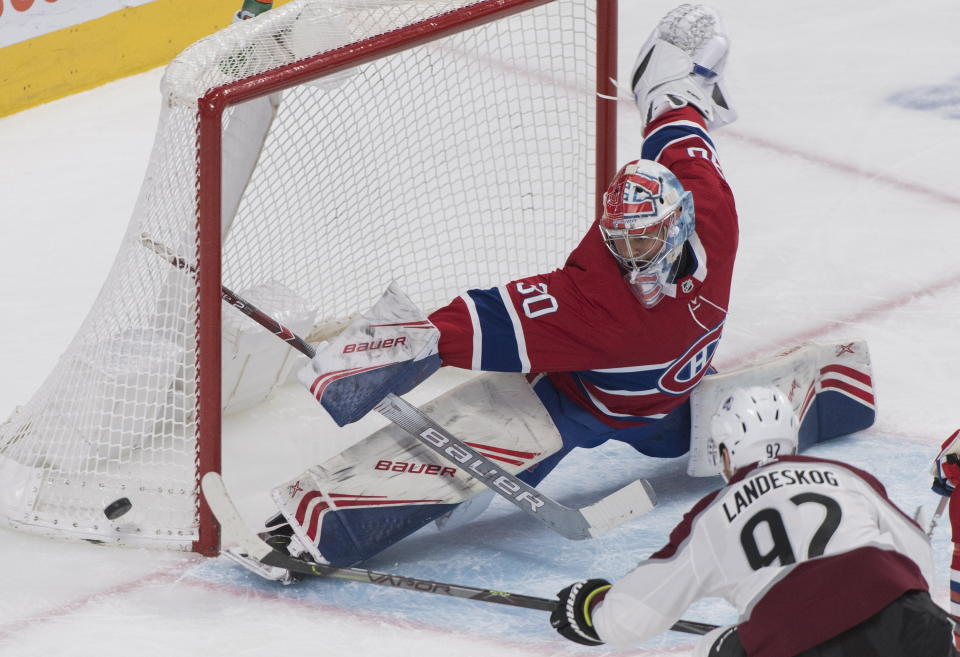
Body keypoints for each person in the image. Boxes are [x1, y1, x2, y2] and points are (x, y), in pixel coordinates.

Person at [226, 3, 741, 579]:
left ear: (679, 225)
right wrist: (376, 350)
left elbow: (682, 141)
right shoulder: (592, 302)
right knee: (465, 466)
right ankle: (314, 526)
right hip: (576, 404)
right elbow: (480, 322)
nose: (628, 255)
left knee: (678, 438)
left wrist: (673, 95)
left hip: (662, 404)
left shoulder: (712, 211)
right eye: (619, 240)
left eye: (643, 243)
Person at [551, 386, 954, 657]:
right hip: (910, 622)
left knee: (712, 650)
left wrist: (592, 612)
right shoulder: (845, 476)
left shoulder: (712, 516)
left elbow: (637, 612)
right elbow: (915, 551)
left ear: (727, 452)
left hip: (795, 642)